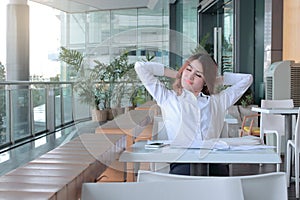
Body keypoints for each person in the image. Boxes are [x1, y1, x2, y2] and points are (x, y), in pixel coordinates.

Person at [134, 53, 253, 175]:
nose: (190, 77)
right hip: (183, 163)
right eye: (188, 69)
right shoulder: (167, 98)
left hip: (214, 163)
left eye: (198, 75)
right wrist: (178, 74)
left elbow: (247, 79)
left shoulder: (217, 102)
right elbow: (140, 67)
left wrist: (214, 80)